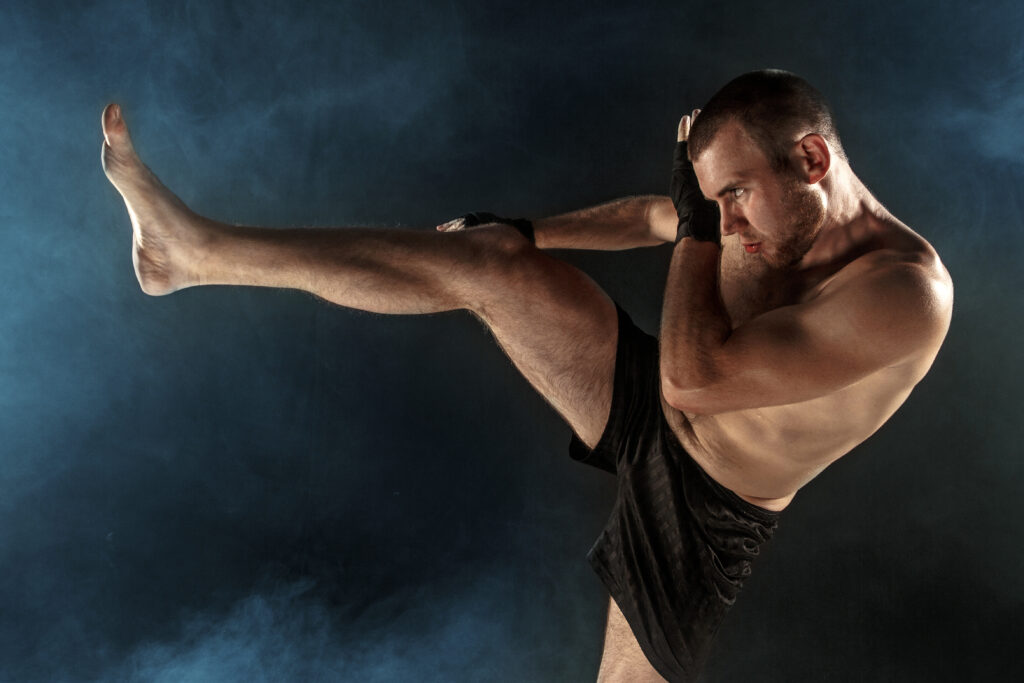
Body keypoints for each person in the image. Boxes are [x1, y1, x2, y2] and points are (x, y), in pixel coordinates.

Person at [100, 70, 953, 682]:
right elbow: (650, 216)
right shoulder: (753, 208)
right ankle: (193, 254)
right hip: (646, 393)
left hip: (711, 505)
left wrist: (699, 227)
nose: (728, 221)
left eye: (735, 196)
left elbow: (698, 378)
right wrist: (522, 231)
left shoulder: (904, 293)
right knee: (488, 263)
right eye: (716, 201)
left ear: (812, 158)